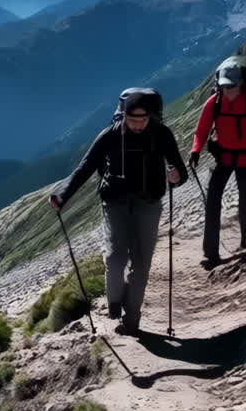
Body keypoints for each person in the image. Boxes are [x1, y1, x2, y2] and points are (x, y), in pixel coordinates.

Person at [49, 91, 187, 336]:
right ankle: (115, 300)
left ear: (150, 116)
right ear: (123, 115)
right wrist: (63, 196)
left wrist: (176, 177)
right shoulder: (110, 136)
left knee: (141, 264)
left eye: (143, 120)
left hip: (148, 202)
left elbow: (179, 170)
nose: (138, 125)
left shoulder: (161, 133)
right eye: (133, 120)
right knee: (115, 259)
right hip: (115, 202)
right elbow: (85, 167)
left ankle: (131, 320)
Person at [190, 59, 246, 269]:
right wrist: (195, 150)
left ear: (240, 84)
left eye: (230, 86)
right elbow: (201, 130)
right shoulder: (214, 103)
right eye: (223, 87)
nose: (226, 90)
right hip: (224, 158)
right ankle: (211, 252)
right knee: (213, 201)